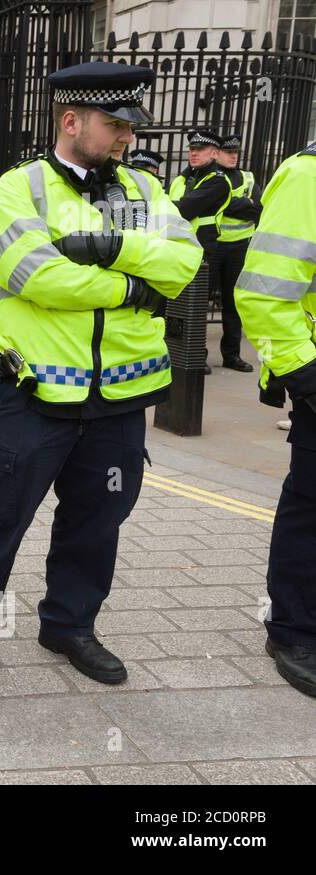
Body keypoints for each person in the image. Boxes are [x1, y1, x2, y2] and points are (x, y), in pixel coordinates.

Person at [0, 63, 201, 686]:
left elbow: (184, 262)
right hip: (37, 393)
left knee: (98, 520)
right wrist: (136, 287)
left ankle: (70, 626)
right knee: (1, 517)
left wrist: (106, 251)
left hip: (119, 399)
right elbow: (35, 277)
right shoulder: (21, 188)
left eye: (131, 123)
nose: (128, 135)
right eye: (115, 123)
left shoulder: (144, 191)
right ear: (71, 121)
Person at [235, 141, 316, 698]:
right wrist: (305, 376)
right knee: (311, 509)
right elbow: (262, 295)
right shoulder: (310, 176)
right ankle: (294, 630)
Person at [169, 129, 231, 374]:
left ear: (214, 154)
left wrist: (166, 207)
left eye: (200, 150)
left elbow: (184, 209)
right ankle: (172, 351)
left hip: (203, 249)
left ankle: (195, 356)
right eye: (191, 149)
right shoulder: (184, 178)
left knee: (195, 305)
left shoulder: (217, 180)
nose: (193, 153)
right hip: (177, 246)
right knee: (173, 301)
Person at [214, 133, 260, 373]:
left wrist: (233, 204)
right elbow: (216, 203)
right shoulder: (212, 176)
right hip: (213, 245)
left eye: (235, 152)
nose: (233, 156)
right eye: (228, 152)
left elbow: (258, 207)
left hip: (240, 247)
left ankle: (232, 355)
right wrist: (243, 204)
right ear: (216, 153)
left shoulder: (248, 178)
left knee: (234, 305)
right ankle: (196, 355)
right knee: (198, 304)